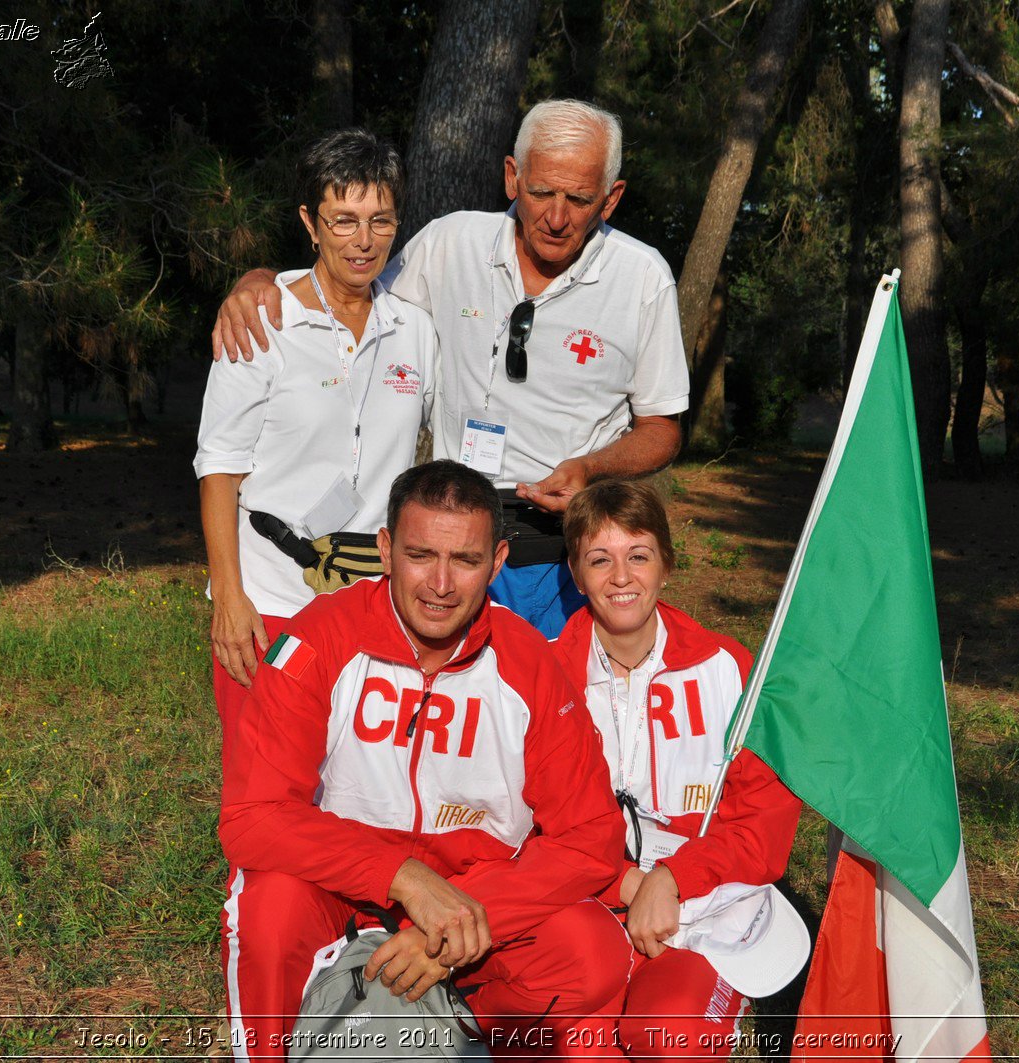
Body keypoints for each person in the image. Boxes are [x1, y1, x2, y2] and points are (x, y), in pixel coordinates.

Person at [212, 99, 690, 639]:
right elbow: (349, 280)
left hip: (563, 548)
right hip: (448, 542)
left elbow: (661, 428)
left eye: (579, 200)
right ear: (512, 177)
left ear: (612, 197)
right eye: (541, 193)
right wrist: (260, 280)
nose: (556, 218)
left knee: (556, 709)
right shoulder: (451, 242)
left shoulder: (643, 279)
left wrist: (590, 468)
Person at [219, 460, 631, 1061]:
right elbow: (252, 816)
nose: (440, 584)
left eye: (465, 561)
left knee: (593, 951)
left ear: (496, 562)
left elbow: (591, 836)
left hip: (475, 895)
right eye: (419, 556)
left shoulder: (530, 664)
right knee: (268, 907)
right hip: (338, 889)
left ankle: (458, 1036)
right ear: (385, 549)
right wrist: (402, 877)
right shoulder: (319, 639)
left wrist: (462, 919)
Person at [194, 128, 438, 737]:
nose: (363, 241)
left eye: (380, 221)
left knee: (358, 795)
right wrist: (230, 598)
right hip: (271, 598)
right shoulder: (263, 320)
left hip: (374, 605)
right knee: (268, 788)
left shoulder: (414, 330)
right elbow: (219, 466)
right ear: (310, 221)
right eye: (343, 220)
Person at [551, 480, 802, 1058]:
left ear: (666, 564)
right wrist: (625, 882)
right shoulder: (541, 675)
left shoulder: (727, 667)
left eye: (638, 556)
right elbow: (522, 822)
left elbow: (764, 823)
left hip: (705, 905)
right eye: (599, 559)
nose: (620, 577)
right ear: (573, 571)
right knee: (572, 1045)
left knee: (668, 1034)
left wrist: (671, 879)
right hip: (584, 900)